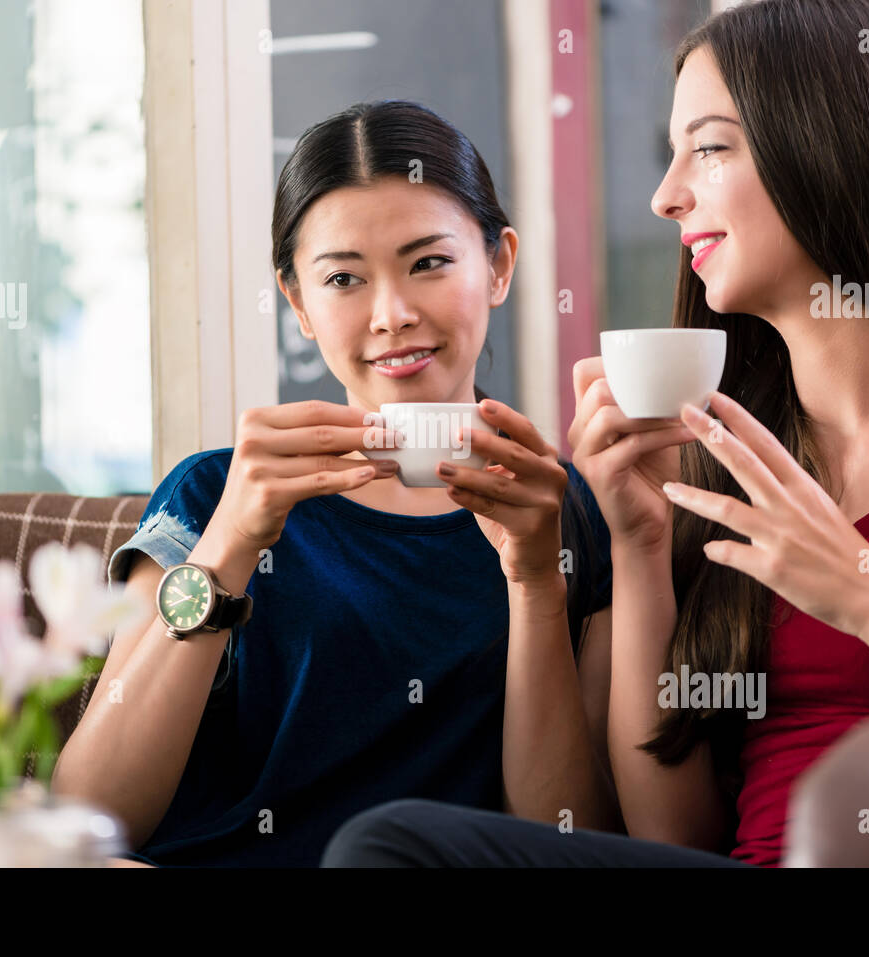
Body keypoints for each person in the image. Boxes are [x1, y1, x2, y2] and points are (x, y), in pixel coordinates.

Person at [321, 0, 869, 868]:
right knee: (397, 848)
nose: (666, 195)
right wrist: (640, 544)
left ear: (832, 146)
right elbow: (675, 836)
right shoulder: (719, 447)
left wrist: (866, 597)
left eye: (709, 148)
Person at [50, 100, 622, 866]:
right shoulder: (215, 491)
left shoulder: (562, 508)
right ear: (298, 303)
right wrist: (228, 546)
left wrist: (533, 585)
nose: (392, 314)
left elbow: (563, 836)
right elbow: (91, 817)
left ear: (500, 265)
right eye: (344, 279)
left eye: (429, 262)